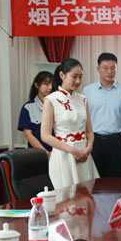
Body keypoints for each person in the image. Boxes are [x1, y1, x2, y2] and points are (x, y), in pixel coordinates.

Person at [40, 59, 99, 189]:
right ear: (62, 75)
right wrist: (73, 151)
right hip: (64, 155)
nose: (78, 81)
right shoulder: (51, 100)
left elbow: (89, 131)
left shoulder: (83, 99)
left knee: (86, 194)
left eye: (80, 77)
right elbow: (45, 136)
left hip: (84, 154)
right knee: (67, 196)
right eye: (74, 76)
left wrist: (88, 148)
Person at [82, 52, 121, 177]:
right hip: (94, 141)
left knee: (117, 180)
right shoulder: (87, 91)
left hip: (116, 142)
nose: (109, 72)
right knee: (95, 179)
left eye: (113, 68)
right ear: (98, 69)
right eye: (105, 68)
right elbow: (83, 117)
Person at [18, 71, 53, 155]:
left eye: (52, 84)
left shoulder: (58, 105)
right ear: (37, 85)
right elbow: (28, 135)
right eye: (46, 84)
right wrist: (46, 153)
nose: (50, 87)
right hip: (37, 155)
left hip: (57, 154)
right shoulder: (28, 107)